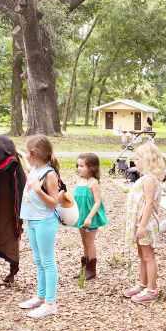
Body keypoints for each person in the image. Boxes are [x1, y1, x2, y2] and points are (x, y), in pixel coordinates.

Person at [17, 135, 62, 319]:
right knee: (38, 261)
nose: (26, 155)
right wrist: (19, 154)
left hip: (45, 221)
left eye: (27, 152)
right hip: (33, 221)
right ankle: (41, 296)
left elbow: (53, 202)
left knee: (48, 262)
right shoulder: (35, 169)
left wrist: (37, 190)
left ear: (35, 154)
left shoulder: (49, 174)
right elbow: (28, 167)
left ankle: (50, 303)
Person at [122, 142, 166, 304]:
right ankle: (143, 285)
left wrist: (142, 224)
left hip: (145, 223)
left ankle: (152, 290)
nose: (135, 162)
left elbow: (149, 203)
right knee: (142, 255)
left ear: (147, 160)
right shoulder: (144, 178)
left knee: (148, 256)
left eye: (137, 158)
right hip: (140, 222)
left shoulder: (149, 180)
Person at [73, 153, 108, 280]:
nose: (79, 168)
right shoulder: (79, 181)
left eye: (82, 166)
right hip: (81, 217)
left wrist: (89, 217)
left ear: (92, 167)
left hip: (90, 219)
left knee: (89, 242)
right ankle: (84, 267)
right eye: (78, 165)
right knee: (84, 242)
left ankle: (92, 270)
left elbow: (97, 202)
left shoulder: (93, 183)